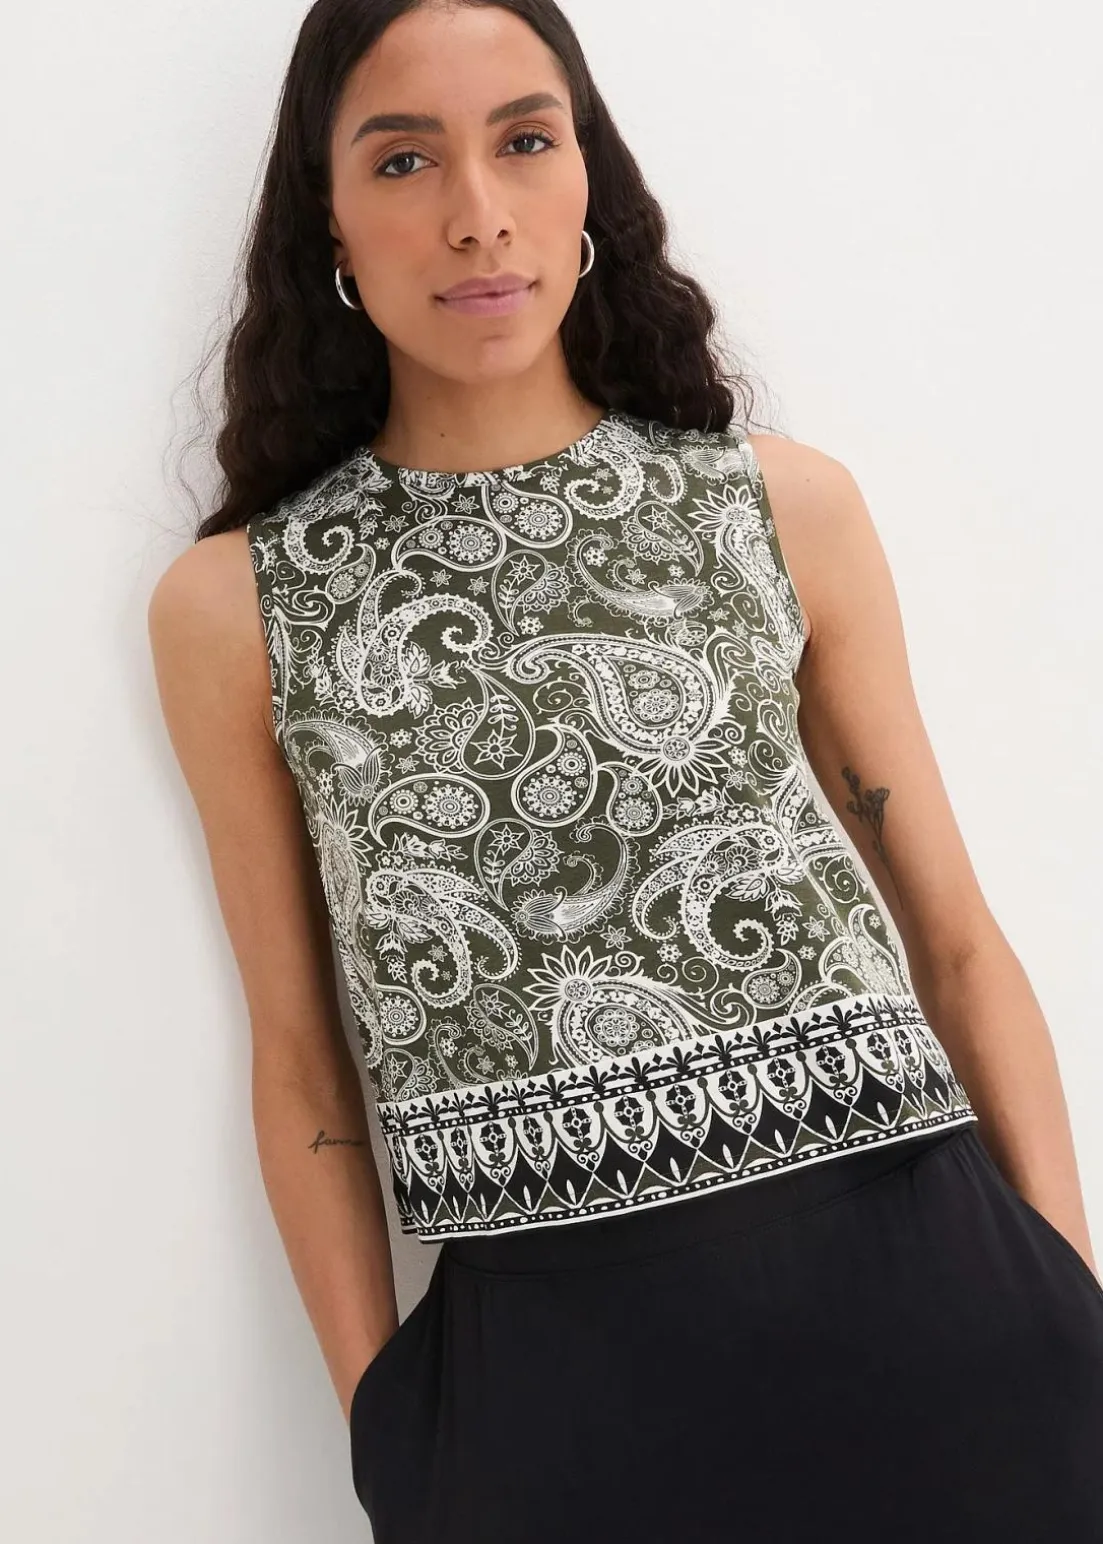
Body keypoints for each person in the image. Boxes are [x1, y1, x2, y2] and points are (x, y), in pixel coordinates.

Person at [147, 1, 1103, 1539]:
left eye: (525, 140)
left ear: (588, 172)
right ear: (325, 216)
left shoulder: (775, 508)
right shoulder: (240, 607)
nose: (478, 213)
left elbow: (956, 940)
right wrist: (390, 1436)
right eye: (404, 160)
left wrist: (1067, 1306)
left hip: (945, 1335)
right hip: (545, 1400)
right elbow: (299, 1059)